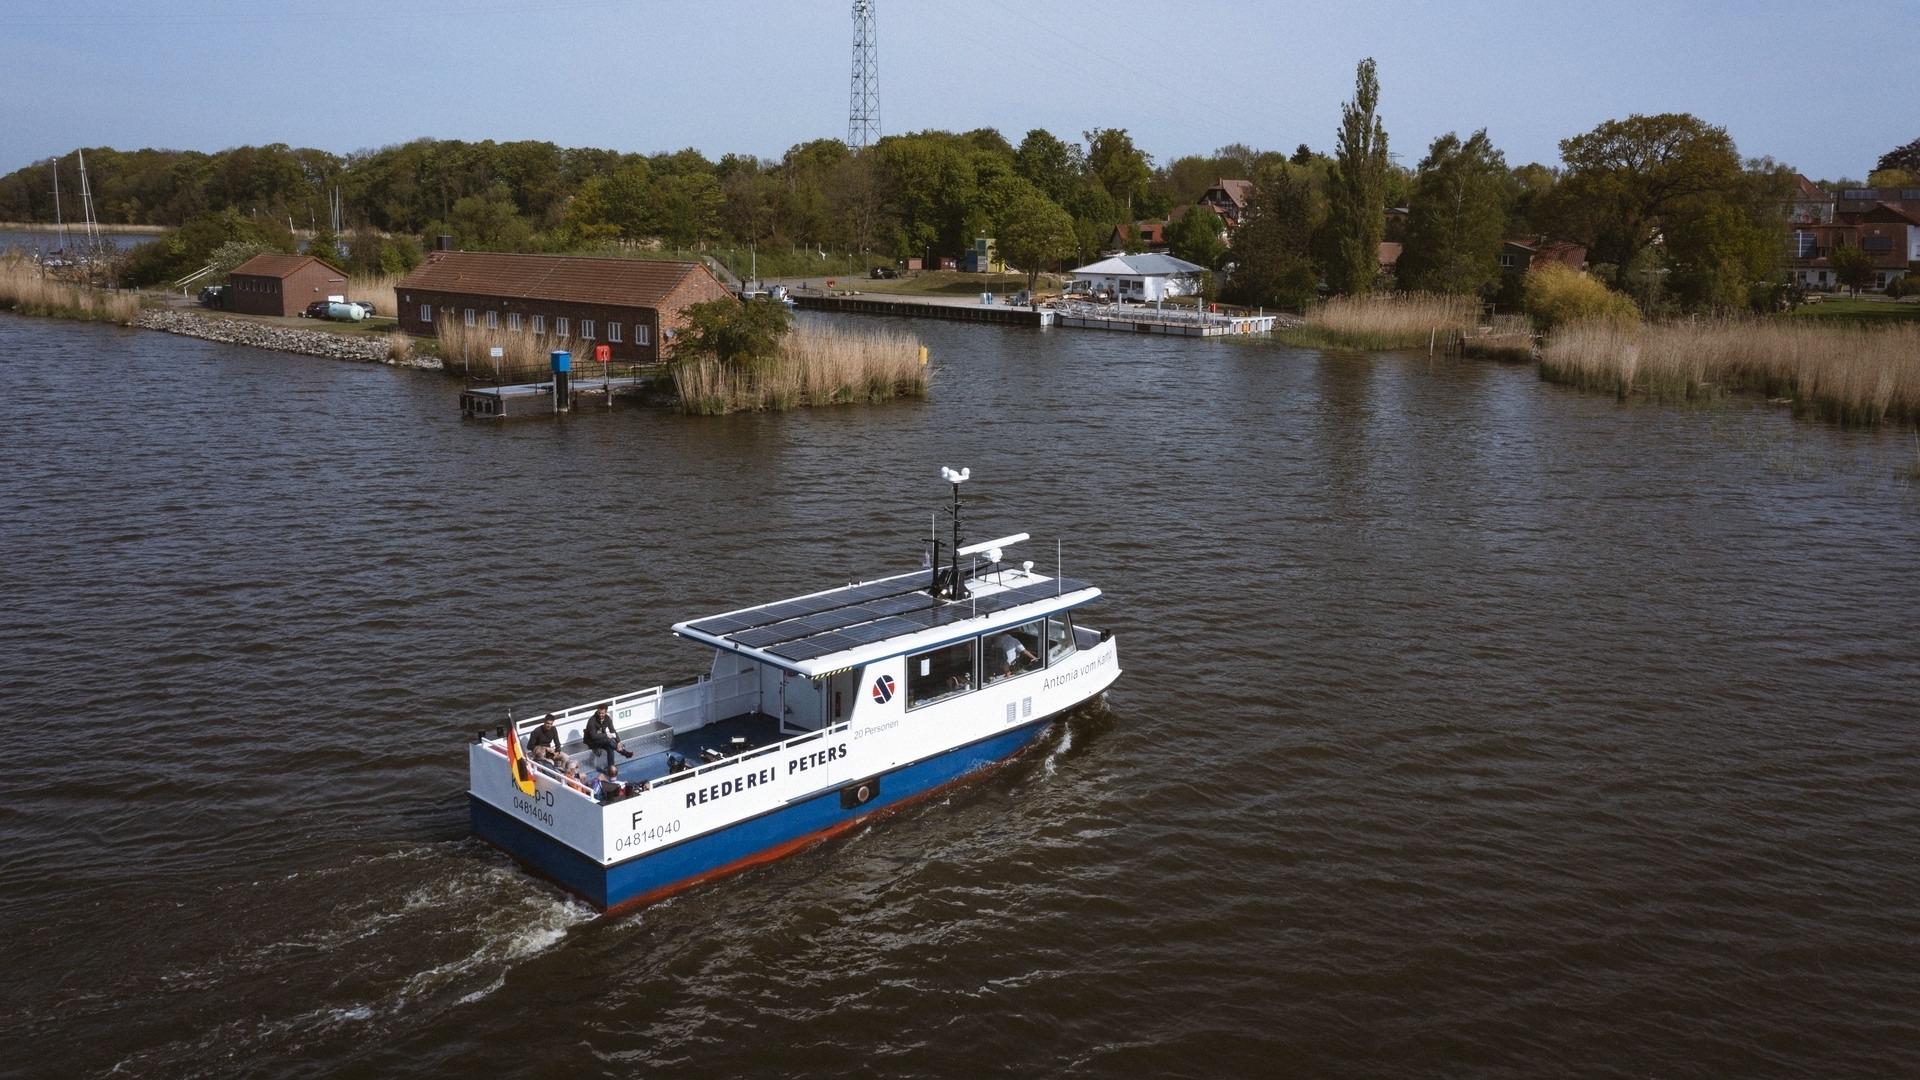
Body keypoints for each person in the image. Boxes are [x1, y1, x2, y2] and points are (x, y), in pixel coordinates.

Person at [582, 704, 631, 773]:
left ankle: (611, 769)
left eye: (602, 713)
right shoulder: (592, 720)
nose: (600, 715)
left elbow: (613, 731)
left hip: (602, 740)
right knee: (609, 740)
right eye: (599, 713)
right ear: (597, 711)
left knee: (610, 748)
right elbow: (593, 736)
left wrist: (619, 742)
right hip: (592, 742)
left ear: (606, 712)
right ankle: (623, 752)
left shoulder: (607, 718)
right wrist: (606, 735)